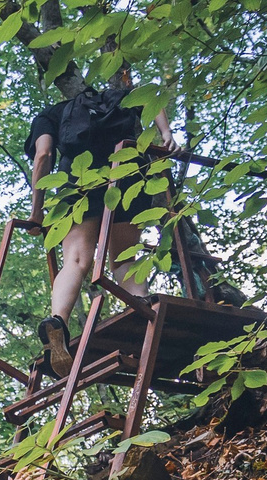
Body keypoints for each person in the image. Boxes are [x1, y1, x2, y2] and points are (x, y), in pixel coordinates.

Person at [24, 69, 170, 378]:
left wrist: (37, 213)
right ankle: (142, 309)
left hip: (79, 183)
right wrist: (166, 136)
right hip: (127, 175)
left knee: (76, 260)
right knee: (123, 259)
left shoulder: (51, 114)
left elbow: (43, 156)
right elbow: (154, 97)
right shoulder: (120, 100)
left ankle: (57, 322)